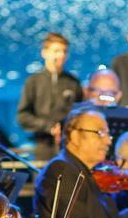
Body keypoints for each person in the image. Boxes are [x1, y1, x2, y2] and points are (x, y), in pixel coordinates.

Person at [16, 32, 83, 160]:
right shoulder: (33, 81)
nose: (61, 55)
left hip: (70, 146)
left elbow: (81, 113)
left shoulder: (73, 82)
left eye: (64, 51)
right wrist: (49, 126)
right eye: (56, 51)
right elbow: (23, 116)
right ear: (44, 53)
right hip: (43, 146)